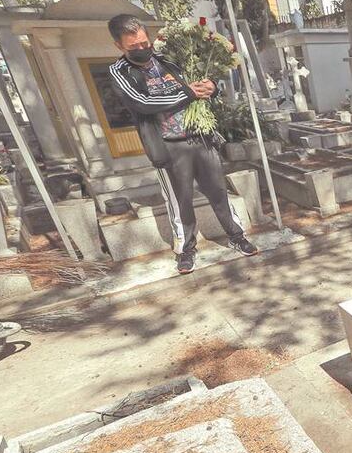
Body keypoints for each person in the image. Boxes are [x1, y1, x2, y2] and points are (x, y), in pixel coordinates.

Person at [107, 14, 257, 274]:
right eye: (134, 47)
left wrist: (211, 87)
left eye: (145, 43)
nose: (142, 49)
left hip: (200, 136)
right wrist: (188, 93)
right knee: (180, 201)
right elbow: (141, 104)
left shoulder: (169, 60)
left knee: (219, 192)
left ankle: (237, 236)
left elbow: (199, 85)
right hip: (168, 145)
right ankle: (186, 250)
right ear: (119, 46)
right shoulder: (119, 72)